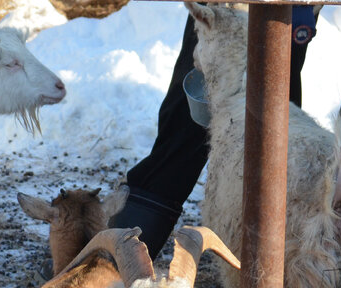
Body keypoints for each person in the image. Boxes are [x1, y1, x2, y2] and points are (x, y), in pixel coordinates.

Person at [109, 6, 319, 258]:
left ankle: (268, 274)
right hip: (225, 9)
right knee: (191, 121)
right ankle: (117, 263)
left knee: (273, 130)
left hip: (283, 13)